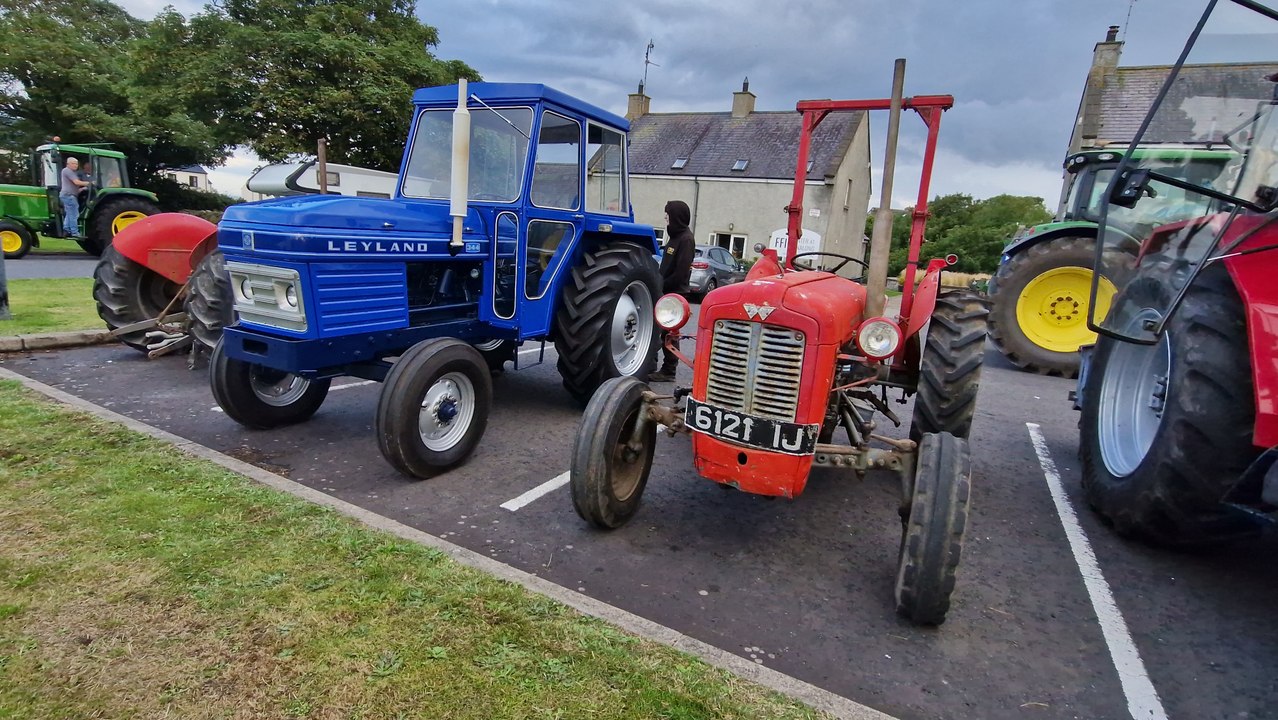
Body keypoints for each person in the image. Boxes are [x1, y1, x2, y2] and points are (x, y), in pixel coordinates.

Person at [648, 199, 695, 383]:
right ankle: (653, 364)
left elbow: (681, 272)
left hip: (675, 293)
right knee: (659, 330)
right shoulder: (675, 237)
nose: (666, 220)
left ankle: (669, 370)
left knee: (669, 333)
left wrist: (662, 284)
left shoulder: (686, 239)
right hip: (665, 290)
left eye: (668, 217)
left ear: (676, 217)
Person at [59, 157, 91, 238]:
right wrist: (89, 183)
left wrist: (82, 189)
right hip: (69, 195)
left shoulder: (70, 172)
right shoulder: (67, 171)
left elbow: (74, 186)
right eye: (73, 163)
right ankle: (75, 232)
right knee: (74, 214)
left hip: (68, 195)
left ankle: (66, 230)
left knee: (69, 213)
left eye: (76, 164)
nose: (75, 165)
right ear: (68, 164)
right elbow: (76, 182)